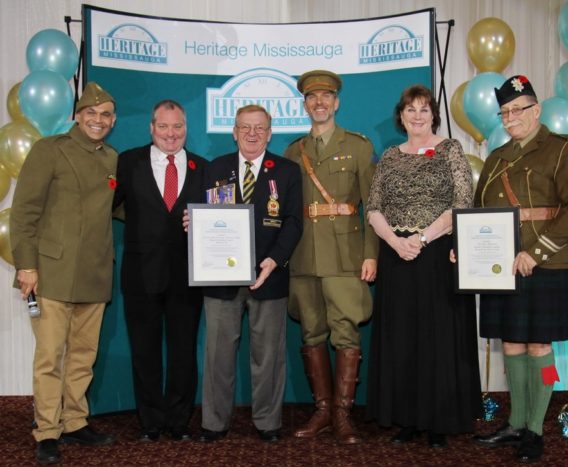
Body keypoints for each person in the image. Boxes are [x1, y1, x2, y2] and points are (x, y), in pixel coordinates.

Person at [473, 75, 568, 463]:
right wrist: (466, 250)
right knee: (511, 343)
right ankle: (516, 422)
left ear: (536, 110)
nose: (510, 118)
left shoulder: (562, 148)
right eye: (504, 112)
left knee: (540, 346)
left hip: (546, 265)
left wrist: (536, 252)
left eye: (517, 110)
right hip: (502, 267)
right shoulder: (496, 158)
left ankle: (535, 429)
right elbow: (478, 212)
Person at [365, 84, 482, 448]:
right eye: (410, 110)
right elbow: (373, 207)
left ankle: (438, 421)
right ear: (401, 117)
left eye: (424, 109)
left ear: (434, 115)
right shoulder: (389, 156)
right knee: (402, 338)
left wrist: (423, 238)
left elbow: (463, 202)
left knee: (438, 338)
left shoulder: (450, 150)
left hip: (437, 255)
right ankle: (407, 419)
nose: (417, 116)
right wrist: (395, 241)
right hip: (396, 256)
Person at [10, 82, 118, 465]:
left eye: (105, 114)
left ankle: (74, 421)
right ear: (77, 115)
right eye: (91, 113)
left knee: (83, 357)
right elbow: (24, 212)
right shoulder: (49, 150)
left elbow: (118, 208)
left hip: (95, 273)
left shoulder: (112, 158)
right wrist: (26, 266)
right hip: (52, 273)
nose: (98, 120)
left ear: (113, 121)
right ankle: (47, 430)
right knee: (50, 357)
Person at [197, 104, 303, 443]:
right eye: (245, 127)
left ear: (269, 133)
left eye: (259, 128)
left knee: (268, 355)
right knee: (217, 355)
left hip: (269, 276)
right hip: (221, 279)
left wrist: (274, 260)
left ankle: (268, 421)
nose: (252, 133)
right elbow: (205, 218)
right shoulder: (216, 168)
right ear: (234, 132)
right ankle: (214, 422)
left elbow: (294, 222)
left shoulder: (286, 171)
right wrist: (192, 223)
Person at [284, 70, 378, 445]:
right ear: (305, 105)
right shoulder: (293, 152)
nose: (319, 102)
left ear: (336, 102)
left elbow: (372, 207)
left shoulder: (358, 147)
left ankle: (343, 414)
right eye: (312, 97)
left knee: (345, 332)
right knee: (311, 332)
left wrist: (371, 254)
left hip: (345, 255)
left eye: (326, 96)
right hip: (304, 256)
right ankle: (322, 410)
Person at [113, 100, 207, 442]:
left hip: (187, 276)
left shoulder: (203, 167)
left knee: (184, 353)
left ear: (186, 128)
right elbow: (106, 207)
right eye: (164, 126)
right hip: (141, 274)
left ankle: (179, 422)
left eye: (177, 126)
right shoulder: (127, 162)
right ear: (151, 128)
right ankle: (150, 422)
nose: (171, 134)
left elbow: (219, 220)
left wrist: (202, 222)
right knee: (144, 352)